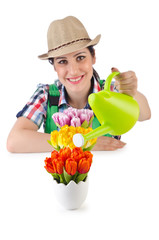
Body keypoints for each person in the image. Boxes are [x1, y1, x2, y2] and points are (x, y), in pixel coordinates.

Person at [7, 16, 151, 153]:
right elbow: (14, 141)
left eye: (80, 57)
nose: (74, 71)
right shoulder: (46, 95)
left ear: (93, 57)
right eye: (62, 61)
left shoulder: (110, 91)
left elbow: (145, 115)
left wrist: (130, 93)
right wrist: (85, 143)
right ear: (54, 67)